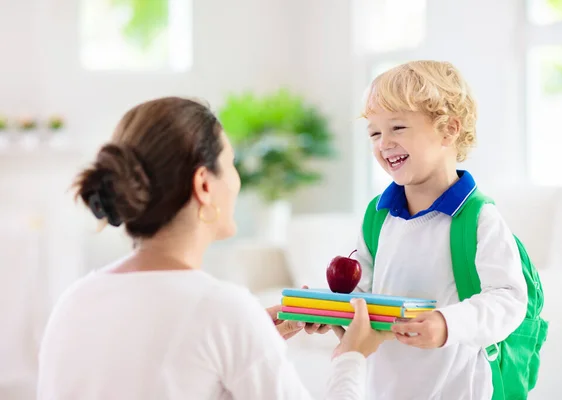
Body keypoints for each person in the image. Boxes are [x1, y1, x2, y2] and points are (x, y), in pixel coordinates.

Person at [36, 96, 394, 400]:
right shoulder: (223, 310)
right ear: (204, 184)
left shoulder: (74, 300)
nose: (236, 180)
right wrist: (352, 357)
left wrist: (254, 337)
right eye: (231, 164)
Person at [353, 61, 529, 399]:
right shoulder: (377, 216)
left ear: (448, 130)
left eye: (398, 127)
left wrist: (448, 324)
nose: (383, 143)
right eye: (374, 132)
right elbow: (363, 296)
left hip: (457, 389)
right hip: (383, 389)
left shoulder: (477, 217)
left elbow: (508, 299)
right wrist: (332, 314)